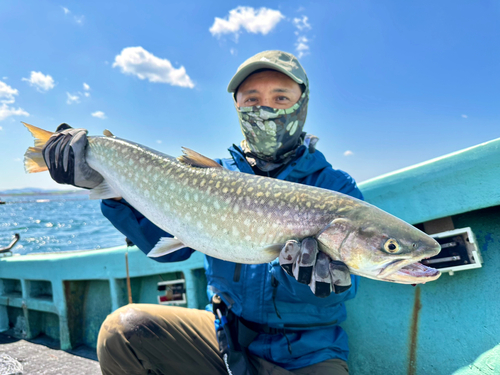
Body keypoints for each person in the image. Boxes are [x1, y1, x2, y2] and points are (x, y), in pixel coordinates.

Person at [42, 50, 364, 375]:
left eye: (280, 97)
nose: (265, 109)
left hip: (307, 353)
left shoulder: (335, 187)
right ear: (237, 107)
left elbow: (345, 287)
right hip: (224, 338)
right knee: (122, 332)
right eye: (252, 99)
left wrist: (316, 283)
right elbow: (166, 248)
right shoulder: (211, 175)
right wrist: (107, 187)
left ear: (302, 103)